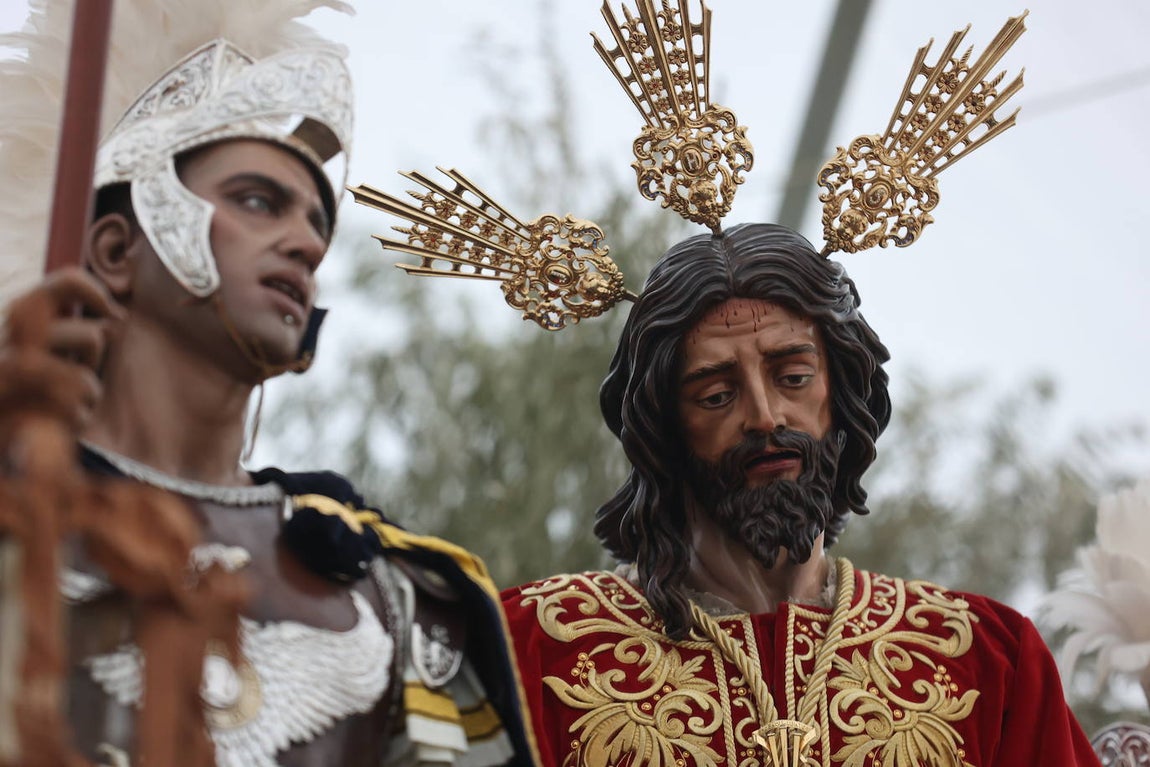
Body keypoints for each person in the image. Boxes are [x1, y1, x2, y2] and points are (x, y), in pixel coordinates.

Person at [0, 2, 537, 765]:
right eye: (259, 201)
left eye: (318, 221)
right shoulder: (18, 509)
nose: (307, 242)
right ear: (117, 249)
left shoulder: (399, 596)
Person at [500, 223, 1101, 766]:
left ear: (839, 393)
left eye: (793, 378)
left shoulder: (983, 657)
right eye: (715, 394)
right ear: (665, 430)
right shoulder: (532, 644)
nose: (765, 416)